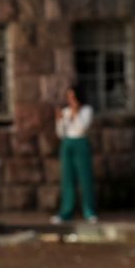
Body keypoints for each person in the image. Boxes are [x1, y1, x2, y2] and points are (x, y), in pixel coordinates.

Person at [50, 85, 98, 225]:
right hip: (67, 144)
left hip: (81, 143)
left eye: (73, 97)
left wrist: (76, 112)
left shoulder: (87, 110)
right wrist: (59, 120)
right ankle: (66, 212)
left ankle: (89, 211)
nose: (70, 100)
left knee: (85, 178)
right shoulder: (65, 112)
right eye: (68, 97)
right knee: (67, 179)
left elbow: (82, 128)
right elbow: (60, 133)